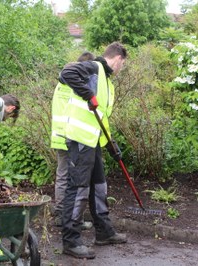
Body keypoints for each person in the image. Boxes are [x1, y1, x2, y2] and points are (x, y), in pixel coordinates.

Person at [53, 42, 128, 259]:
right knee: (77, 189)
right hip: (79, 139)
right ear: (118, 58)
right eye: (123, 64)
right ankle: (71, 240)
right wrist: (88, 94)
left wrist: (111, 144)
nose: (122, 68)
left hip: (93, 141)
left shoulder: (106, 82)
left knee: (99, 185)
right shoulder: (94, 68)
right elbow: (66, 72)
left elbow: (101, 118)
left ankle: (104, 231)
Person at [51, 51, 95, 230]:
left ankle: (60, 214)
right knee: (75, 178)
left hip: (59, 135)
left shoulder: (60, 86)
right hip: (72, 136)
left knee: (62, 176)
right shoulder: (75, 87)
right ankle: (72, 217)